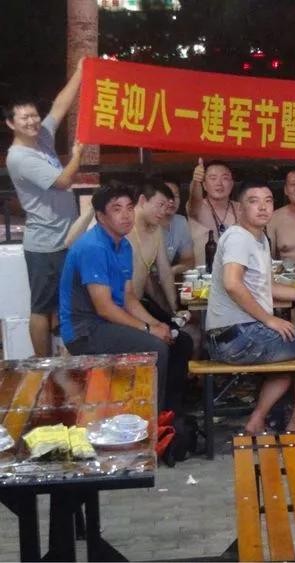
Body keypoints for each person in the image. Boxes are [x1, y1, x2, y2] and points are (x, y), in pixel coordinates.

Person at [205, 180, 295, 438]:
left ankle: (256, 421)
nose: (263, 207)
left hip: (236, 335)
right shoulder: (239, 237)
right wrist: (269, 320)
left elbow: (269, 287)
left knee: (289, 356)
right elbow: (232, 283)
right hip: (237, 336)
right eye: (254, 201)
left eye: (268, 201)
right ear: (240, 208)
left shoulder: (259, 238)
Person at [59, 183, 189, 412]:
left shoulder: (124, 245)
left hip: (107, 323)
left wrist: (157, 325)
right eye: (117, 209)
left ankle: (171, 413)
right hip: (85, 331)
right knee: (156, 347)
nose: (126, 215)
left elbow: (129, 297)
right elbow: (104, 308)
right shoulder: (93, 247)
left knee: (179, 340)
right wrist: (148, 330)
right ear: (101, 216)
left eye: (129, 208)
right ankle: (149, 417)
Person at [5, 59, 84, 356]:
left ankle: (64, 362)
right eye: (24, 118)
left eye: (34, 115)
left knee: (66, 304)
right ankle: (42, 365)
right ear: (11, 124)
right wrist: (77, 156)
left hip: (65, 239)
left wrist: (81, 71)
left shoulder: (42, 137)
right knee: (41, 308)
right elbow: (63, 181)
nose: (32, 121)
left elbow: (60, 106)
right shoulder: (19, 157)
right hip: (45, 244)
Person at [127, 182, 179, 316]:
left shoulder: (156, 230)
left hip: (138, 305)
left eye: (166, 207)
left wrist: (175, 310)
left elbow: (165, 271)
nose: (163, 212)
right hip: (118, 308)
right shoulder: (122, 227)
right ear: (142, 200)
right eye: (160, 205)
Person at [161, 178, 195, 276]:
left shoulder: (180, 221)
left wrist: (173, 270)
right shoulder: (147, 222)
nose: (172, 201)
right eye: (167, 195)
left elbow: (189, 260)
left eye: (175, 196)